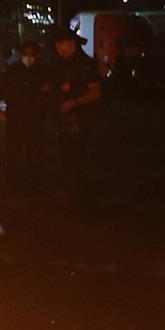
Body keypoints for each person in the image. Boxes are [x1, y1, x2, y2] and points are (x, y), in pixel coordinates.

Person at [43, 27, 103, 204]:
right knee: (65, 156)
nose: (61, 48)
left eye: (64, 44)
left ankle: (77, 194)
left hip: (80, 119)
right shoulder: (59, 64)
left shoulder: (85, 65)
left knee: (76, 157)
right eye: (58, 45)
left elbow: (96, 92)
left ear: (73, 44)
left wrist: (74, 102)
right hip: (61, 119)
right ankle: (68, 190)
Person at [0, 39, 54, 195]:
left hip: (35, 119)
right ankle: (13, 184)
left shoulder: (43, 72)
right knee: (13, 152)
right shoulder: (13, 71)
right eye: (25, 54)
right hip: (16, 118)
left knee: (35, 153)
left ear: (37, 55)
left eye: (32, 54)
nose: (29, 57)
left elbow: (50, 94)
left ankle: (34, 184)